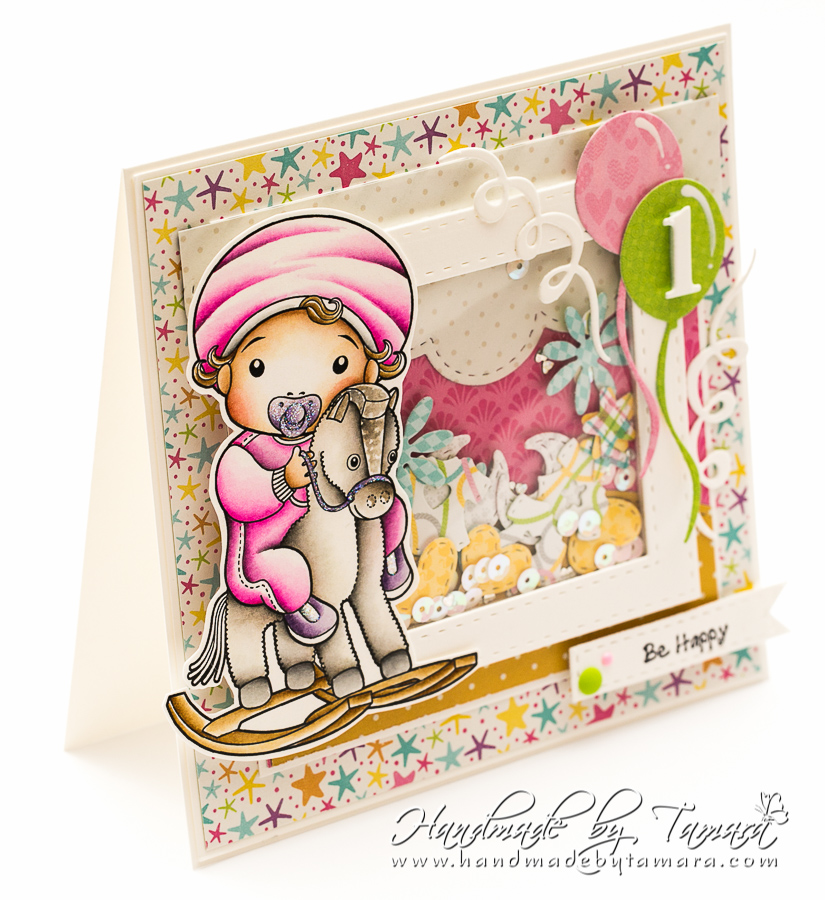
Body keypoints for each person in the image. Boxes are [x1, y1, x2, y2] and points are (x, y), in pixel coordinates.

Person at [188, 213, 415, 651]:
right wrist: (282, 480)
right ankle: (302, 609)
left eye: (338, 364)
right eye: (259, 368)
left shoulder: (340, 425)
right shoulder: (248, 449)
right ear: (225, 376)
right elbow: (237, 496)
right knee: (289, 571)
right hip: (269, 544)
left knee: (391, 509)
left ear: (370, 369)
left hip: (342, 511)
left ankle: (392, 557)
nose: (298, 393)